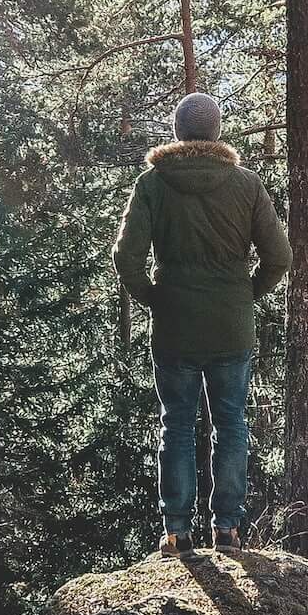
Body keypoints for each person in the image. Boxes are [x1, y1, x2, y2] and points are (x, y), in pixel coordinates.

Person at [111, 91, 289, 556]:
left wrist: (154, 298)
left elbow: (125, 257)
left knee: (177, 425)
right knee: (230, 424)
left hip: (175, 328)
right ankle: (227, 529)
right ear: (216, 132)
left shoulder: (153, 184)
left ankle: (176, 531)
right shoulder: (246, 184)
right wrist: (247, 293)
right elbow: (280, 257)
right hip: (231, 326)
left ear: (177, 131)